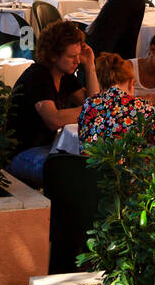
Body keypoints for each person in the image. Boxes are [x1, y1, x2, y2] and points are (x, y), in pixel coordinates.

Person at [7, 21, 99, 186]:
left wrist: (90, 65)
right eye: (72, 56)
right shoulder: (37, 76)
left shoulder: (65, 75)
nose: (77, 61)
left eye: (78, 55)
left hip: (48, 147)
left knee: (94, 165)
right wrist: (91, 109)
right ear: (53, 55)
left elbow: (92, 101)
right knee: (67, 173)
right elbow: (53, 119)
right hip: (20, 154)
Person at [77, 52, 155, 150]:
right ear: (132, 83)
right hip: (126, 167)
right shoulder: (139, 106)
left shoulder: (89, 103)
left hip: (89, 166)